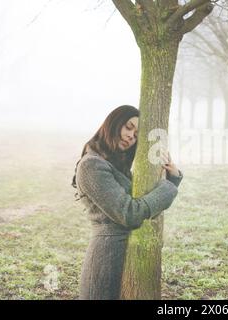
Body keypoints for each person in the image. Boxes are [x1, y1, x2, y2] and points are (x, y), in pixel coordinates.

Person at [70, 105, 183, 300]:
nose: (131, 136)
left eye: (137, 134)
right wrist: (168, 187)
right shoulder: (91, 165)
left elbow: (148, 207)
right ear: (112, 124)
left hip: (128, 259)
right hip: (106, 261)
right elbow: (130, 214)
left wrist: (172, 179)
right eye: (128, 127)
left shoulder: (116, 166)